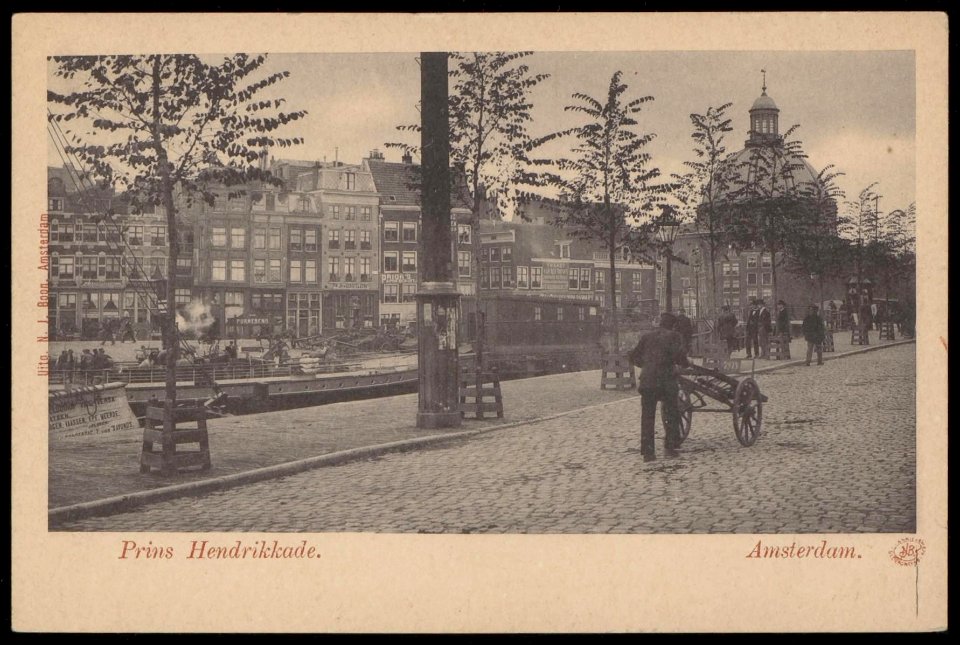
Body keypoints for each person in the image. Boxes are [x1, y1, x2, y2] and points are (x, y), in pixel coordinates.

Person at [627, 312, 689, 462]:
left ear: (660, 323)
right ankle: (671, 445)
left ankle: (648, 452)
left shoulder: (646, 336)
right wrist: (685, 364)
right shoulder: (674, 336)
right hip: (666, 382)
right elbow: (680, 358)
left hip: (647, 381)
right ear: (673, 325)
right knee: (672, 412)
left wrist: (647, 365)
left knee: (647, 416)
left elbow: (633, 356)